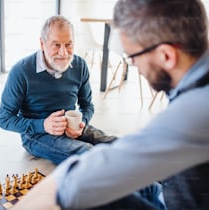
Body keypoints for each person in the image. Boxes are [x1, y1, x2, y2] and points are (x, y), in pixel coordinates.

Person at [11, 0, 209, 209]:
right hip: (170, 193)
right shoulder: (196, 85)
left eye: (133, 56)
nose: (133, 65)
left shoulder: (196, 109)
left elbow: (80, 180)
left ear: (166, 55)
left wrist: (53, 189)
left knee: (83, 190)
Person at [0, 15, 116, 165]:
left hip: (70, 126)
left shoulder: (80, 65)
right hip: (36, 134)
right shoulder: (21, 71)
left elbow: (87, 106)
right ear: (42, 43)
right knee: (88, 153)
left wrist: (82, 123)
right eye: (56, 45)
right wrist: (43, 125)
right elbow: (4, 119)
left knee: (116, 143)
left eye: (68, 44)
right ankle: (144, 188)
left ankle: (152, 177)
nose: (64, 53)